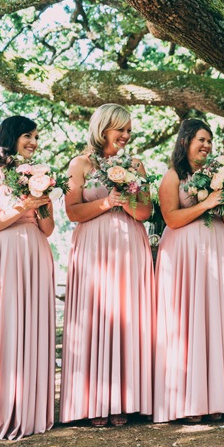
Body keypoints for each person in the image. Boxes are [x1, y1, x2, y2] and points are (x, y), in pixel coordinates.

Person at [59, 103, 154, 427]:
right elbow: (72, 212)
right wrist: (105, 201)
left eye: (129, 130)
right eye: (120, 129)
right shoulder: (80, 164)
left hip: (129, 245)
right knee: (95, 316)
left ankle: (125, 401)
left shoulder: (137, 165)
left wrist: (127, 197)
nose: (126, 135)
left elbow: (145, 212)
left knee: (128, 317)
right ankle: (94, 401)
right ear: (103, 129)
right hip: (93, 248)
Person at [0, 116, 55, 441]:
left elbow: (48, 230)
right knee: (6, 326)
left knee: (32, 326)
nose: (34, 142)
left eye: (36, 136)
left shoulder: (40, 176)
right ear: (11, 137)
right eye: (27, 135)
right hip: (5, 255)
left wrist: (44, 203)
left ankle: (29, 409)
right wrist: (25, 204)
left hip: (35, 253)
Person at [153, 119, 224, 423]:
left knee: (211, 319)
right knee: (186, 322)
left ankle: (216, 398)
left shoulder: (220, 176)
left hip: (214, 252)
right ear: (186, 141)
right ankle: (186, 401)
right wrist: (207, 203)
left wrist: (223, 192)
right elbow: (171, 219)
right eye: (201, 139)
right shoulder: (172, 176)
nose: (207, 145)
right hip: (182, 257)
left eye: (210, 141)